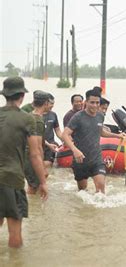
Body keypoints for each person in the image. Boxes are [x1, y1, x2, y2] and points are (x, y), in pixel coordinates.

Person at [0, 77, 48, 248]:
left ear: (5, 95)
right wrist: (42, 182)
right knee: (15, 232)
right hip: (12, 180)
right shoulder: (28, 119)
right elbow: (35, 154)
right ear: (22, 95)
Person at [62, 89, 126, 193]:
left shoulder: (100, 116)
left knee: (101, 189)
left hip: (96, 159)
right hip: (81, 160)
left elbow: (101, 132)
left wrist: (117, 135)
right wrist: (75, 150)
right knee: (82, 192)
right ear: (86, 102)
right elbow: (65, 134)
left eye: (97, 103)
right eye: (92, 102)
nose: (95, 105)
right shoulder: (78, 117)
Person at [24, 91, 50, 194]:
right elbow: (38, 147)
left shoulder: (30, 115)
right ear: (46, 103)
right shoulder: (38, 120)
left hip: (25, 156)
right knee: (33, 188)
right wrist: (42, 166)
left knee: (33, 186)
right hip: (31, 158)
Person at [43, 93, 63, 170]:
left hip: (51, 145)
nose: (52, 106)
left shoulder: (53, 115)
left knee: (48, 166)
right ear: (45, 103)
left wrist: (64, 141)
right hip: (38, 145)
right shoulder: (35, 115)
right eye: (51, 103)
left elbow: (58, 130)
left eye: (53, 104)